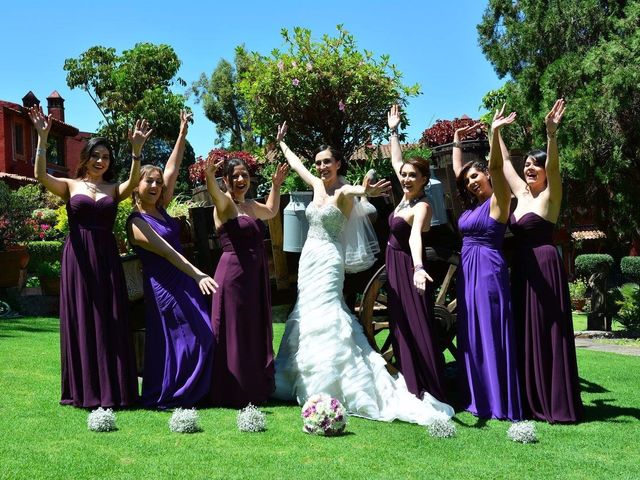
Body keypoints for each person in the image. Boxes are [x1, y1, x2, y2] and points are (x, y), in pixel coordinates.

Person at [273, 122, 454, 426]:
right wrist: (282, 144)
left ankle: (338, 379)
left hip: (330, 259)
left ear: (338, 164)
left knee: (329, 313)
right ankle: (302, 374)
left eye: (327, 162)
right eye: (318, 163)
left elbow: (357, 190)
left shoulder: (344, 190)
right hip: (309, 259)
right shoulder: (316, 186)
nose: (321, 167)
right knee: (305, 311)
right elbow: (296, 165)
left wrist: (366, 190)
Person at [29, 105, 150, 408]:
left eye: (106, 157)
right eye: (96, 156)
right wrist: (43, 138)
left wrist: (136, 151)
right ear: (86, 158)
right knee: (83, 315)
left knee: (110, 317)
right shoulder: (70, 186)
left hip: (106, 257)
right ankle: (84, 389)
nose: (100, 161)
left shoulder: (112, 188)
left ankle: (115, 388)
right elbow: (40, 174)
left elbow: (134, 182)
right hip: (78, 259)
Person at [498, 99, 583, 423]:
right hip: (521, 269)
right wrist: (496, 131)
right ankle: (531, 400)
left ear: (546, 171)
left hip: (545, 268)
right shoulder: (520, 194)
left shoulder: (551, 195)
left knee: (547, 332)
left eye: (536, 165)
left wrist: (551, 135)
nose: (529, 168)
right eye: (528, 164)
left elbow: (556, 168)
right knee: (524, 330)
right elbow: (504, 162)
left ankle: (555, 400)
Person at [127, 111, 217, 409]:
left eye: (157, 183)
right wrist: (198, 274)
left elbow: (173, 167)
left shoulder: (161, 207)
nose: (154, 186)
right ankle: (171, 394)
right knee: (178, 340)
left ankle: (192, 391)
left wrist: (181, 134)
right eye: (148, 183)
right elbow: (166, 251)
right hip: (164, 286)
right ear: (136, 187)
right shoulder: (136, 222)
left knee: (203, 333)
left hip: (184, 279)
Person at [452, 107, 523, 421]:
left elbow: (496, 166)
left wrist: (494, 133)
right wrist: (456, 140)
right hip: (467, 274)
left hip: (489, 271)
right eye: (467, 180)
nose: (470, 182)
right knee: (472, 333)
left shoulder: (499, 200)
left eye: (475, 176)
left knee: (491, 331)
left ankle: (496, 400)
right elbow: (458, 172)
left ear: (488, 177)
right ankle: (477, 395)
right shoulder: (472, 206)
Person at [205, 154, 289, 408]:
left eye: (244, 175)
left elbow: (272, 210)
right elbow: (215, 194)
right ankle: (234, 388)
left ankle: (254, 384)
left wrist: (276, 185)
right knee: (234, 328)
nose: (241, 179)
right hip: (233, 275)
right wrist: (209, 177)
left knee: (253, 326)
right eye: (235, 176)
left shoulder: (251, 205)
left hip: (255, 276)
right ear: (227, 181)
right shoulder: (225, 205)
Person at [385, 105, 447, 402]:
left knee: (415, 324)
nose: (406, 179)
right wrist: (394, 131)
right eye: (404, 175)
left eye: (413, 176)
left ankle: (427, 386)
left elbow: (413, 237)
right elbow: (397, 159)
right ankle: (409, 381)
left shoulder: (421, 206)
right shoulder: (404, 199)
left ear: (424, 180)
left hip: (407, 266)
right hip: (393, 265)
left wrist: (419, 268)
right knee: (400, 326)